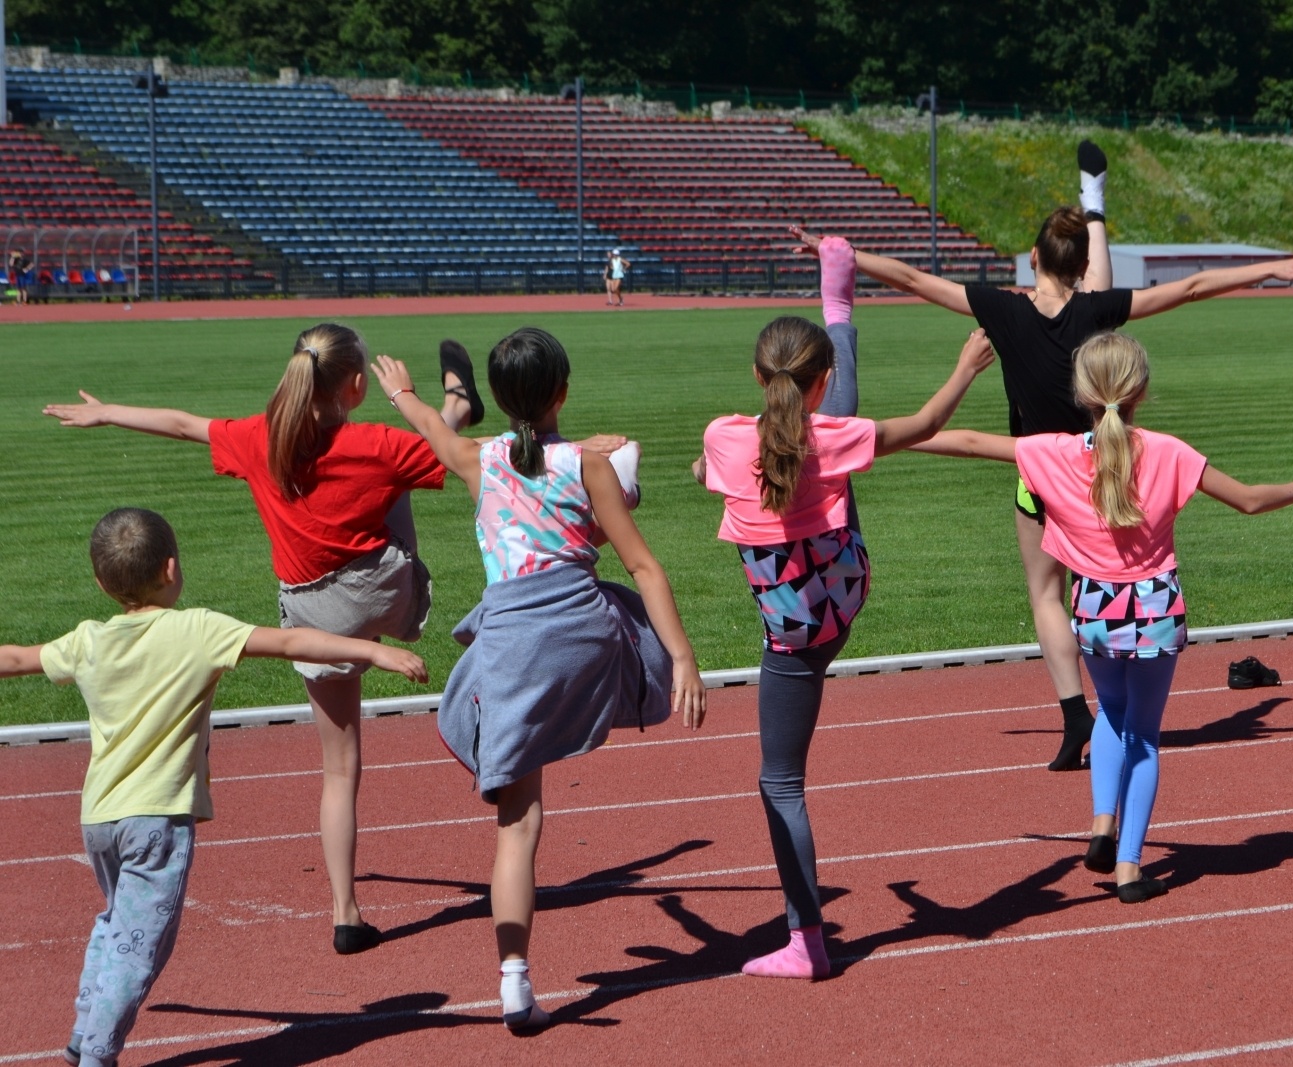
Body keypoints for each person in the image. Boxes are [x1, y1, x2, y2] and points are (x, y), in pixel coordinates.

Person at [38, 324, 575, 954]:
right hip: (382, 595)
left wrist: (107, 414)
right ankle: (454, 404)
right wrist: (585, 447)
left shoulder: (258, 439)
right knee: (403, 467)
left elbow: (183, 424)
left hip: (315, 621)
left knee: (339, 767)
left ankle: (345, 913)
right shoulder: (375, 443)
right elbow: (489, 458)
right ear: (355, 384)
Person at [792, 144, 1293, 776]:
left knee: (1046, 593)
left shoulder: (1003, 308)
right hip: (1108, 468)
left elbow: (913, 280)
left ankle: (1076, 712)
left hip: (1040, 472)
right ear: (1076, 267)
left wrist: (845, 256)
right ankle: (1118, 705)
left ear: (1035, 260)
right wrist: (1272, 267)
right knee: (1104, 582)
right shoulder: (1097, 308)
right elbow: (1192, 287)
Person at [0, 507, 426, 1067]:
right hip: (157, 819)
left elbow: (16, 657)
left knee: (115, 924)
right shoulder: (197, 629)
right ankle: (98, 1053)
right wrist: (372, 649)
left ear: (102, 583)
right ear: (173, 569)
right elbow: (290, 642)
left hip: (99, 819)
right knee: (141, 945)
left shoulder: (87, 641)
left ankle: (85, 1030)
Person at [913, 333, 1293, 902]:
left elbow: (962, 441)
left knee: (1111, 716)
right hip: (1156, 610)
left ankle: (1100, 825)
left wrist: (883, 441)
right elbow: (1251, 500)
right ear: (1141, 391)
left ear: (1082, 392)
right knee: (1144, 736)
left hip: (1095, 611)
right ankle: (1131, 868)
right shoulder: (1169, 451)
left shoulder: (1054, 452)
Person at [370, 327, 704, 1029]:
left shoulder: (474, 458)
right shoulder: (590, 468)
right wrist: (682, 658)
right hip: (582, 640)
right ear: (563, 391)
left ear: (494, 397)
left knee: (517, 825)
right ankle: (632, 689)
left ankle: (514, 978)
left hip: (512, 648)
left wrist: (402, 392)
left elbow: (433, 425)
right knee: (629, 622)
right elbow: (644, 565)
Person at [695, 236, 996, 979]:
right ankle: (838, 298)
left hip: (797, 634)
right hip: (845, 590)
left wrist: (707, 468)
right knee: (841, 449)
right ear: (819, 381)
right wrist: (963, 367)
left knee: (780, 783)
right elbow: (923, 425)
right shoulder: (830, 433)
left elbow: (721, 464)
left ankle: (808, 942)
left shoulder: (724, 437)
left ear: (755, 377)